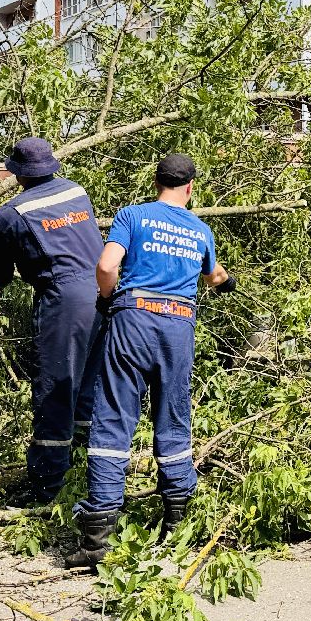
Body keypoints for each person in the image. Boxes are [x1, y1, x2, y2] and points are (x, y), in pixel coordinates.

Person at [66, 153, 235, 569]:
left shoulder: (133, 215)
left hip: (134, 320)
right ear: (191, 187)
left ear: (156, 180)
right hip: (179, 326)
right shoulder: (200, 229)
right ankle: (177, 527)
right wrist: (227, 282)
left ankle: (96, 541)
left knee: (114, 418)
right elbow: (213, 276)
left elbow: (106, 265)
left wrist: (106, 299)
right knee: (173, 415)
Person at [0, 137, 105, 506]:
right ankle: (85, 468)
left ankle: (47, 486)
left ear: (16, 173)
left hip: (65, 301)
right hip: (103, 292)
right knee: (87, 388)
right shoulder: (76, 192)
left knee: (55, 390)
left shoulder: (10, 215)